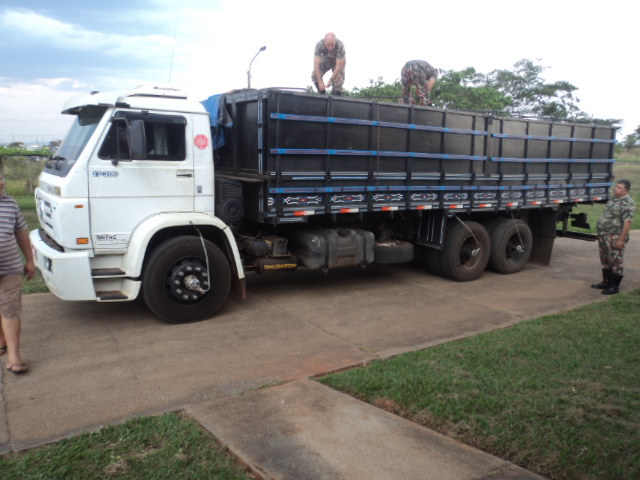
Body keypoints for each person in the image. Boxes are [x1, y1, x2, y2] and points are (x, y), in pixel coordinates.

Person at [0, 173, 36, 374]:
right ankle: (1, 339)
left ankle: (14, 357)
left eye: (1, 177)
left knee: (10, 309)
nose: (1, 182)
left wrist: (29, 261)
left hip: (10, 268)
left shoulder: (10, 204)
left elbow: (21, 233)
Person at [591, 179, 635, 295]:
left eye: (619, 188)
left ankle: (615, 286)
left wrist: (621, 239)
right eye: (616, 186)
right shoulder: (613, 199)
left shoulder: (627, 203)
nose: (616, 189)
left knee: (616, 261)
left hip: (615, 236)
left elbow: (627, 222)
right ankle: (606, 282)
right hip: (604, 234)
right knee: (605, 259)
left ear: (626, 190)